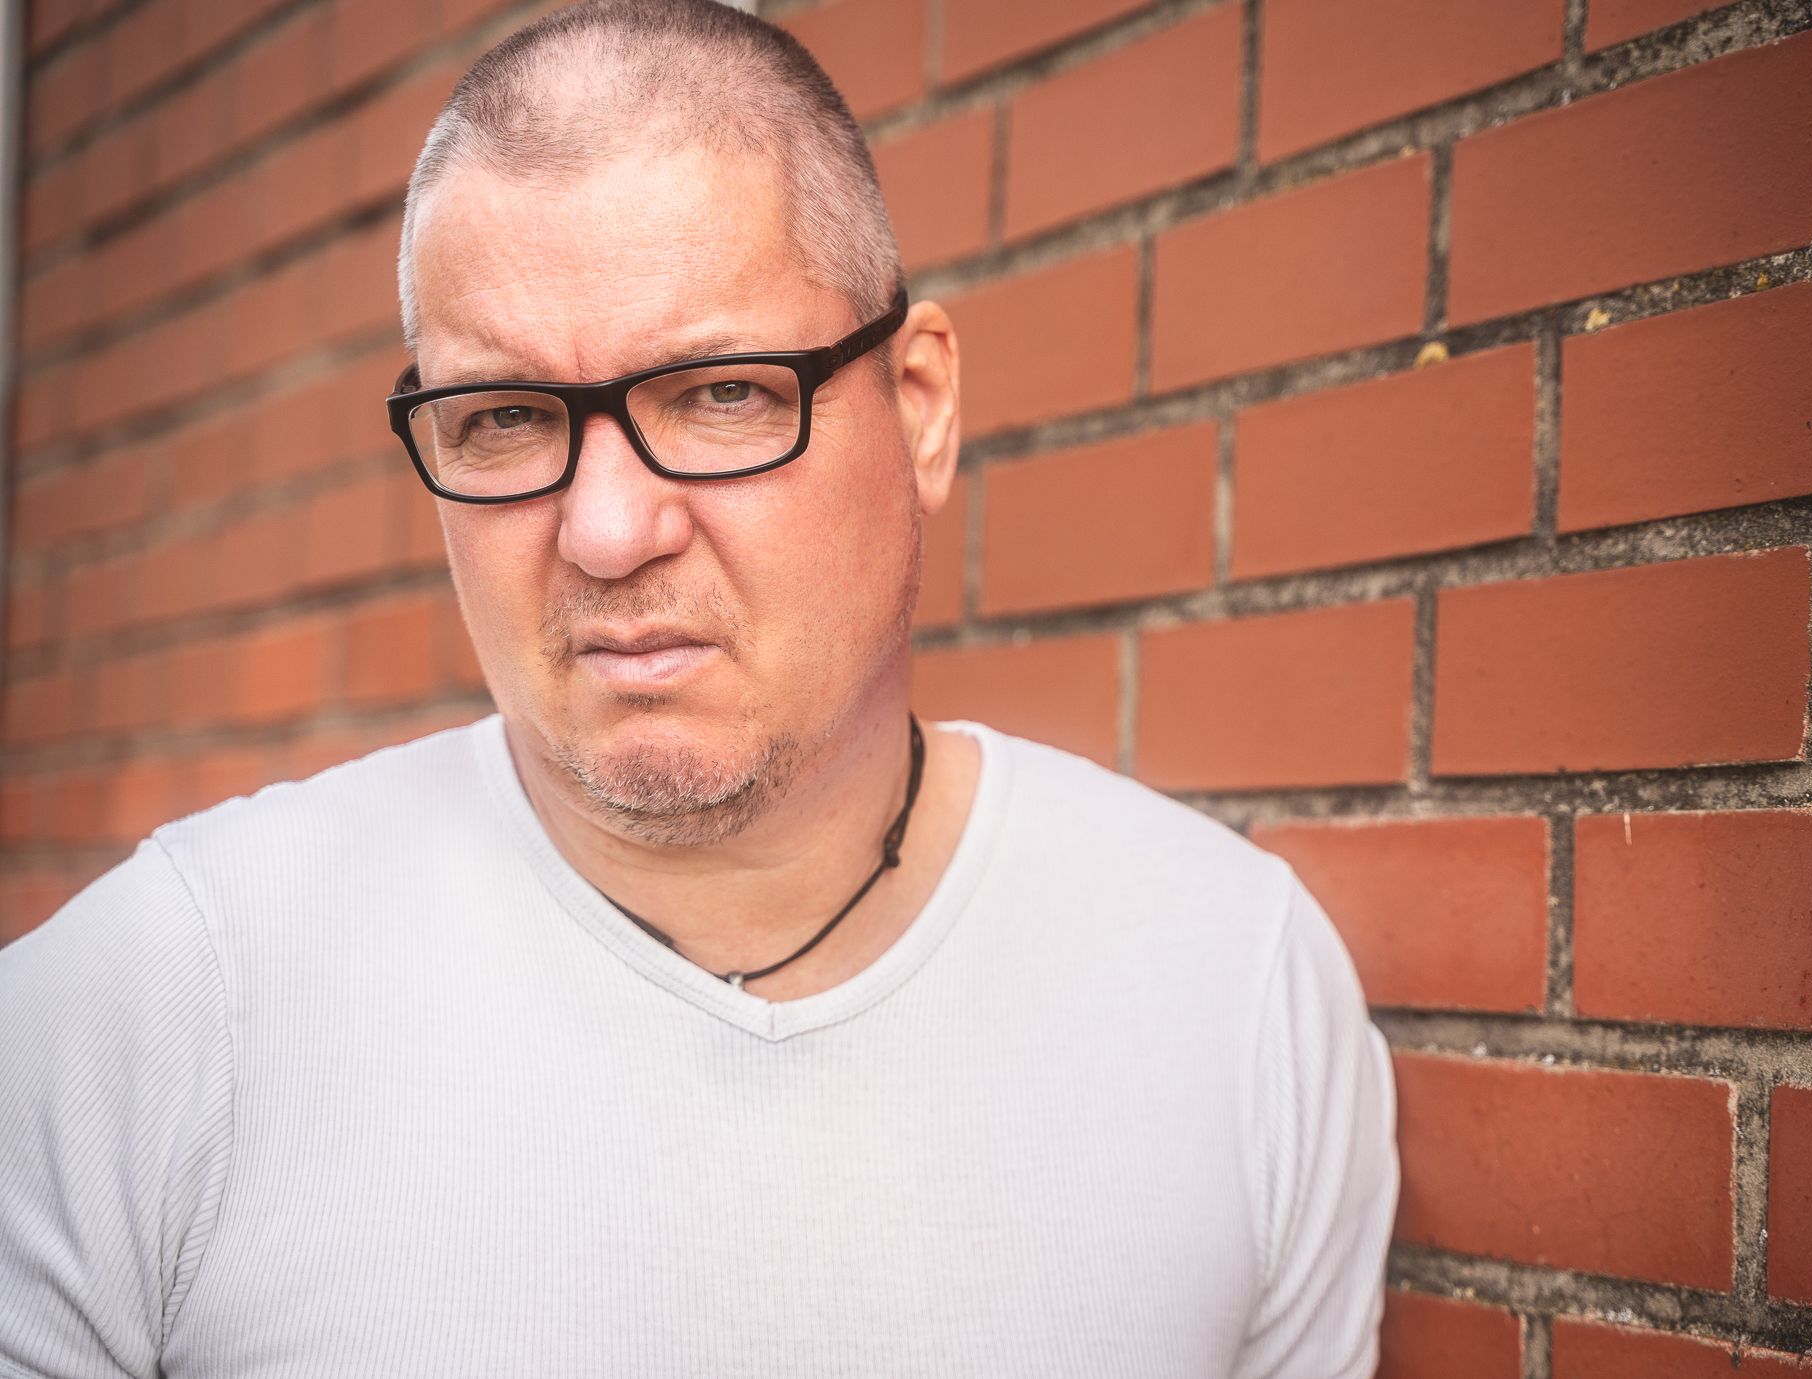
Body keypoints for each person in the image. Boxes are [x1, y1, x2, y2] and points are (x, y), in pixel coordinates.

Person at [0, 2, 1398, 1374]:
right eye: (504, 417)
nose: (609, 532)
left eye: (721, 393)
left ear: (918, 408)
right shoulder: (155, 1011)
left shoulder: (1229, 988)